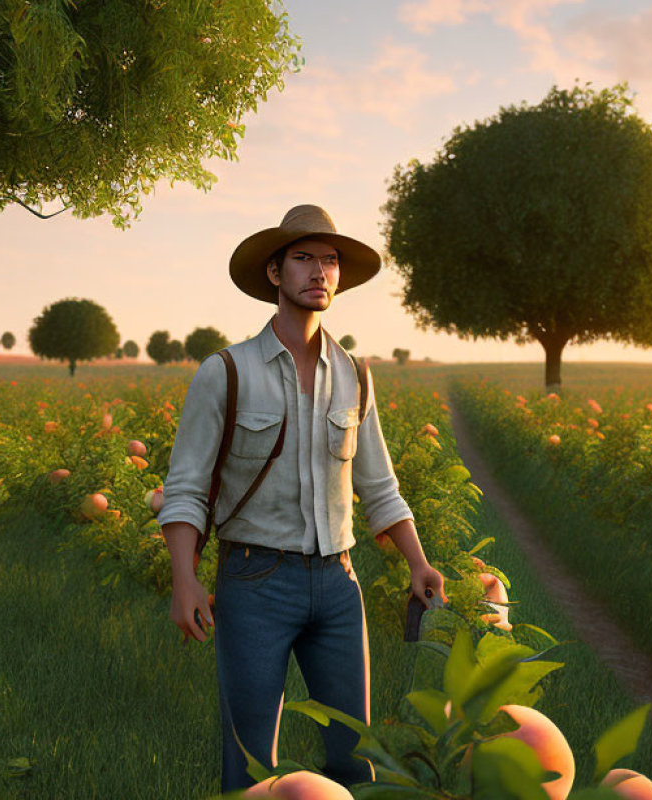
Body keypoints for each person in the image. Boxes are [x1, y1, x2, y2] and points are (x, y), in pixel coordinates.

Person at [158, 204, 449, 792]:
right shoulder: (226, 372)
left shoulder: (356, 376)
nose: (320, 271)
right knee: (249, 763)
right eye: (304, 258)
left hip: (339, 585)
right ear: (274, 274)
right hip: (254, 582)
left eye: (331, 260)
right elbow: (186, 489)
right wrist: (184, 579)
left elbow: (379, 485)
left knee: (355, 757)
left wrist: (418, 562)